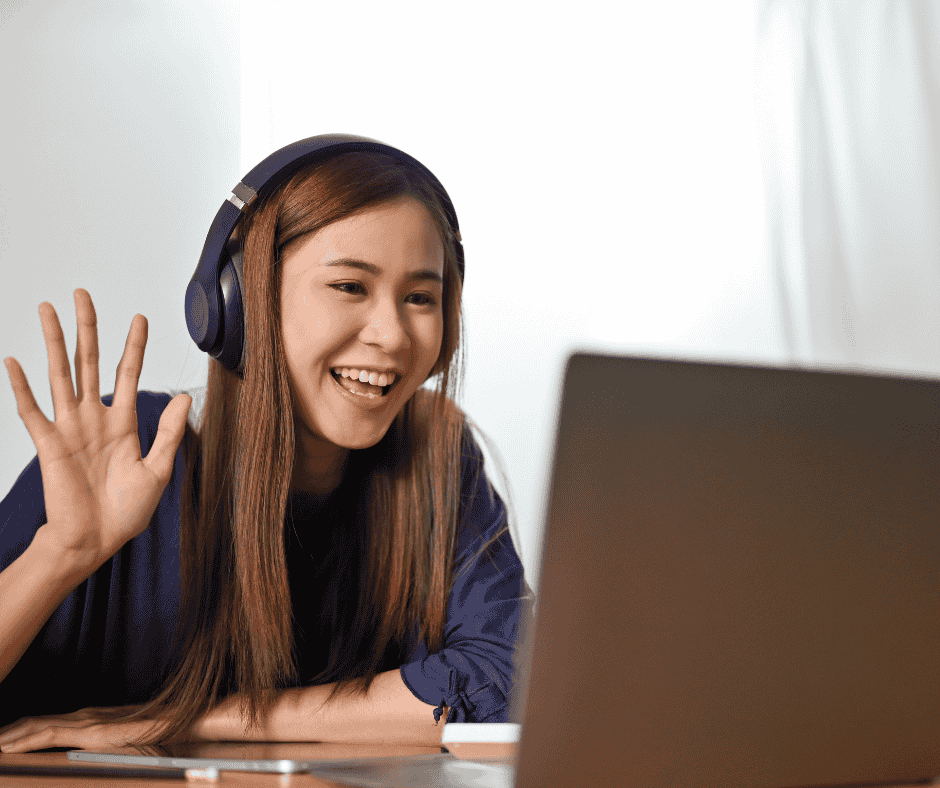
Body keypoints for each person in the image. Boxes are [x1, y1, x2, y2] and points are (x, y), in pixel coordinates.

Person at [0, 135, 532, 752]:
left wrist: (187, 722)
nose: (392, 335)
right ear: (241, 304)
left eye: (420, 297)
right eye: (350, 287)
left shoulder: (437, 458)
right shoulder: (132, 450)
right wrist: (62, 551)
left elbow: (503, 683)